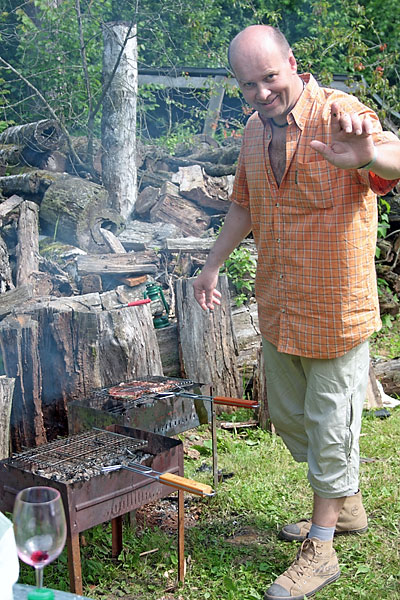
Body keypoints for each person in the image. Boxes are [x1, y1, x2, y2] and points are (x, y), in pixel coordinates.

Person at [193, 24, 400, 600]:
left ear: (291, 62)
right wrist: (210, 266)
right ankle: (345, 503)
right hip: (281, 305)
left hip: (336, 310)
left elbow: (394, 157)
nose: (261, 92)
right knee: (287, 416)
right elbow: (243, 206)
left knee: (331, 425)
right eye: (247, 84)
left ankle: (322, 546)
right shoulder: (252, 131)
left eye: (269, 77)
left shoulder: (339, 112)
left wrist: (369, 155)